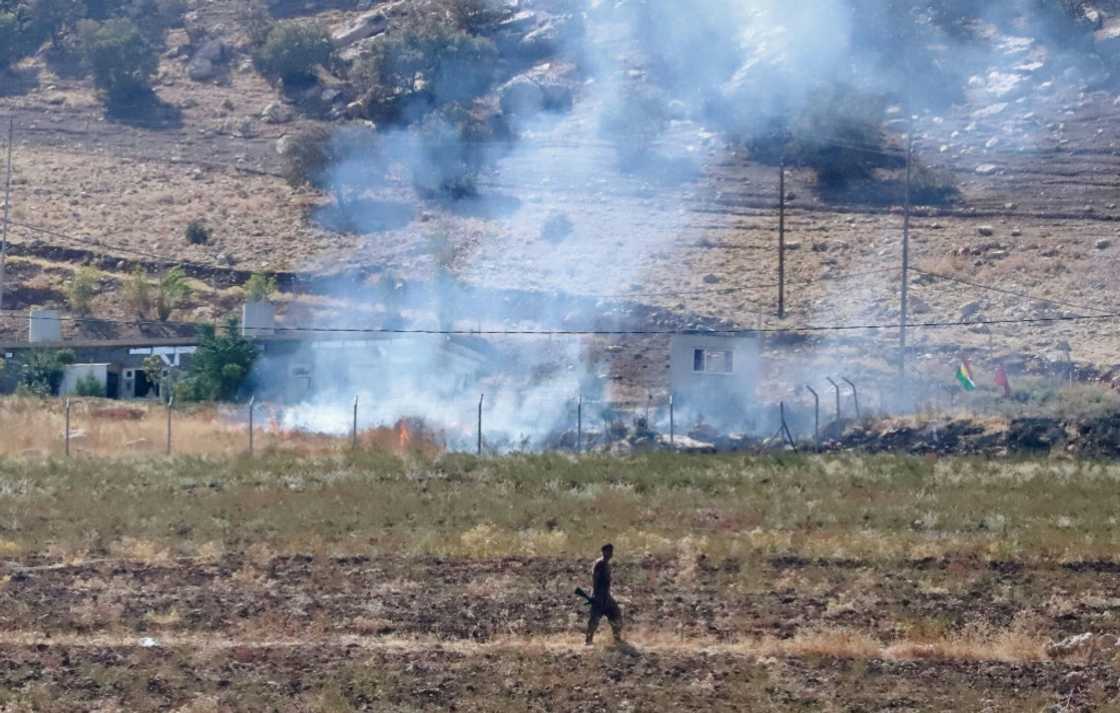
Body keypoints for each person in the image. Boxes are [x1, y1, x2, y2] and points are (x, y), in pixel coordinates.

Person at [586, 543, 623, 645]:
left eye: (611, 551)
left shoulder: (606, 564)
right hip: (599, 596)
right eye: (608, 551)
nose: (610, 553)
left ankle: (617, 639)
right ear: (603, 552)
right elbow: (596, 580)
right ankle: (588, 641)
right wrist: (596, 596)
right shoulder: (600, 564)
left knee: (616, 615)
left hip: (606, 596)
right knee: (594, 620)